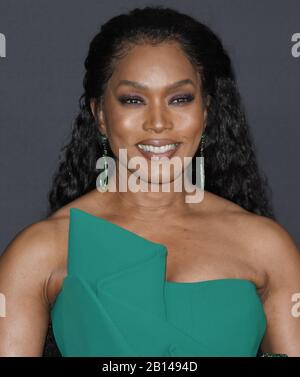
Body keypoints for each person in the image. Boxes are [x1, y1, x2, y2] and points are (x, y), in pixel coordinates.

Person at [0, 5, 299, 357]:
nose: (158, 122)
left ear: (205, 112)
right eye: (133, 100)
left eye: (179, 99)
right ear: (99, 115)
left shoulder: (267, 247)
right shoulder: (40, 251)